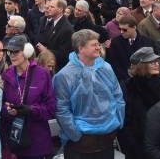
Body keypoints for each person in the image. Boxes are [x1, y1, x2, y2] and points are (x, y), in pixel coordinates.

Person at [53, 29, 125, 159]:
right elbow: (62, 109)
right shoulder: (64, 75)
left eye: (98, 44)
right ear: (81, 48)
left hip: (107, 138)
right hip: (80, 144)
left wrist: (118, 121)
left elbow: (118, 96)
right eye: (94, 45)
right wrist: (75, 135)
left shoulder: (106, 67)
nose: (99, 47)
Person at [1, 35, 56, 159]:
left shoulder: (42, 74)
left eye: (16, 51)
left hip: (36, 141)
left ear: (27, 52)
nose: (12, 55)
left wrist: (31, 110)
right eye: (9, 52)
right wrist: (8, 110)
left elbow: (51, 108)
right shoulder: (7, 74)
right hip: (14, 138)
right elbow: (0, 105)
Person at [120, 47, 160, 159]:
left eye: (157, 61)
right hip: (139, 142)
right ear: (141, 65)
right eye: (151, 62)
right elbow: (126, 120)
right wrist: (132, 144)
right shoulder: (129, 87)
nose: (156, 64)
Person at [106, 15, 154, 83]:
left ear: (134, 27)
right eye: (120, 29)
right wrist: (127, 78)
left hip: (146, 81)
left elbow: (151, 63)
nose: (121, 32)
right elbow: (114, 64)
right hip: (125, 81)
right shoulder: (115, 43)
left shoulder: (148, 42)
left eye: (124, 29)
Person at [36, 0, 74, 71]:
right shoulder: (53, 22)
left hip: (59, 69)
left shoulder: (66, 29)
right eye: (49, 6)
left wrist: (46, 51)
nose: (48, 9)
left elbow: (64, 55)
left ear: (60, 9)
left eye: (52, 7)